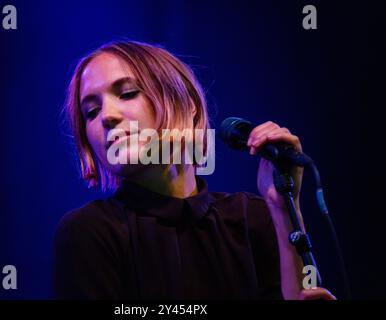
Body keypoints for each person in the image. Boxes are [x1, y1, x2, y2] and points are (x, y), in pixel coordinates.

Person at [53, 40, 336, 300]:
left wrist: (284, 208)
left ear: (187, 106)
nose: (106, 116)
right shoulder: (89, 232)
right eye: (90, 112)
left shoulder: (252, 218)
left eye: (127, 93)